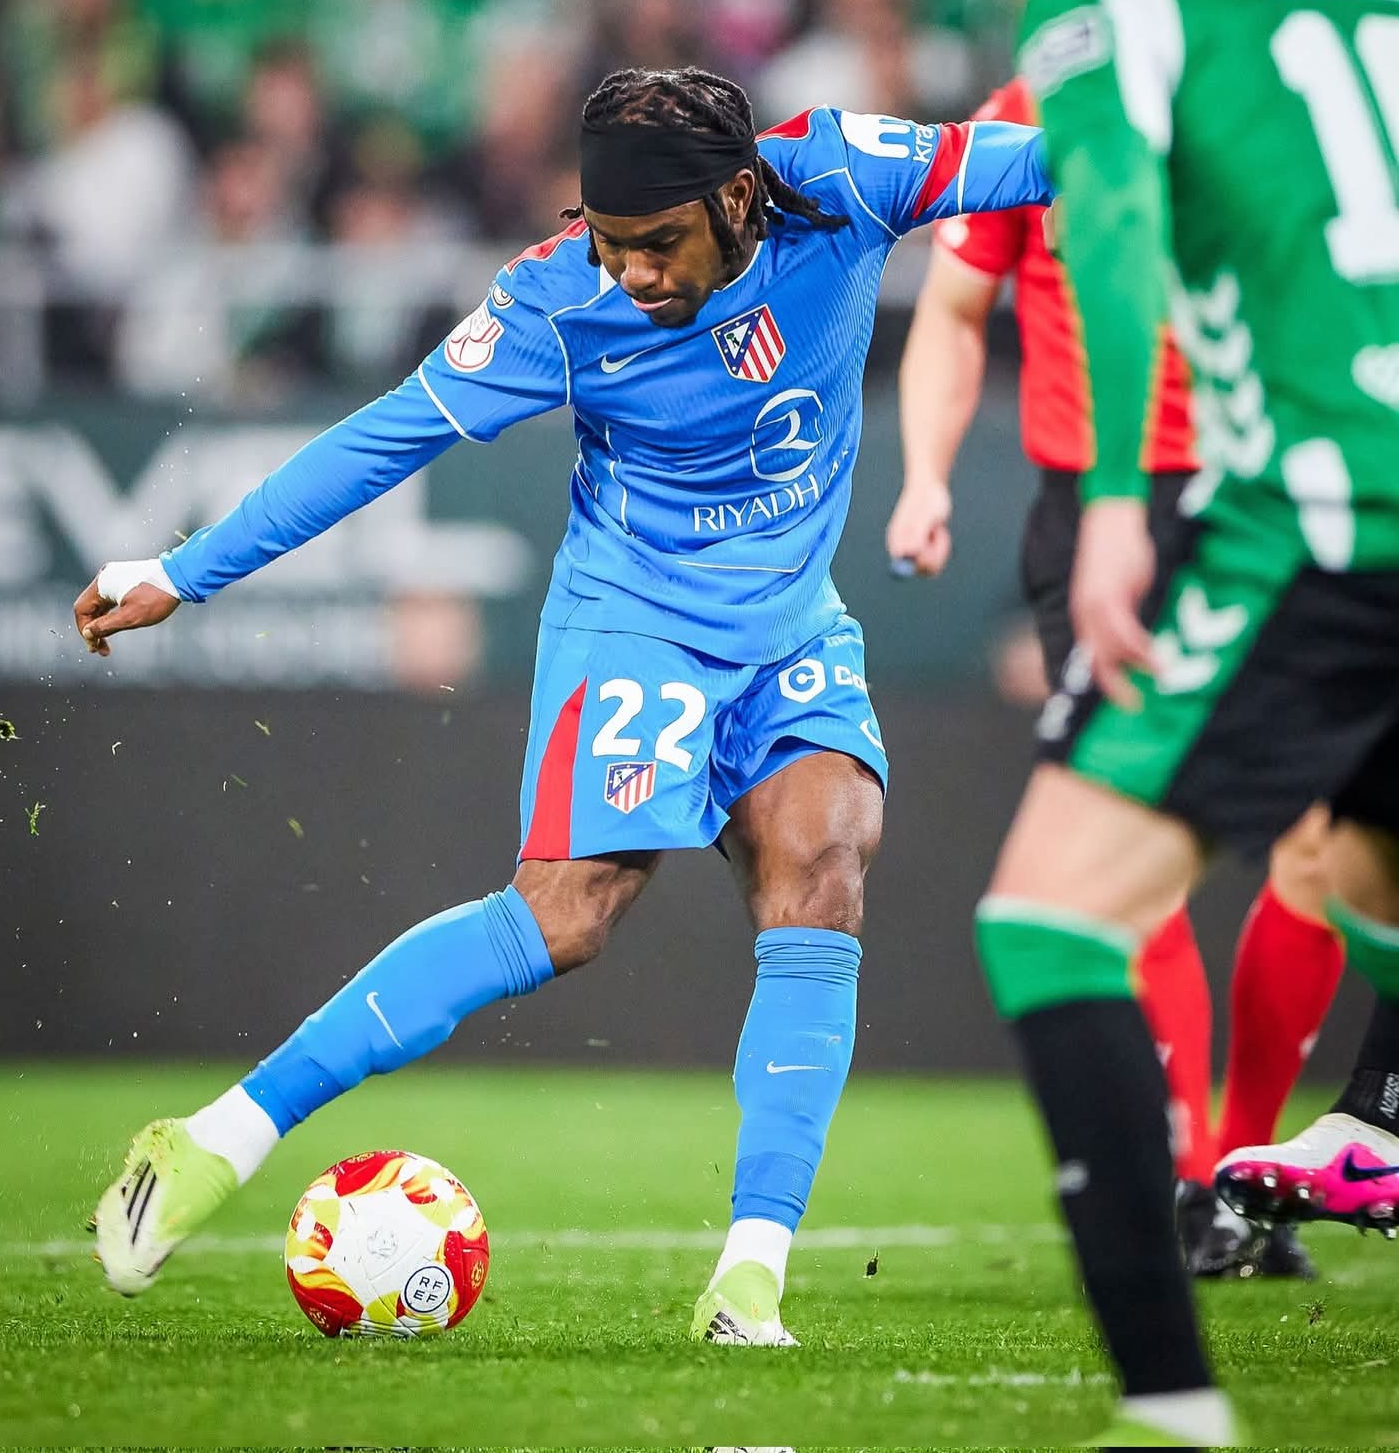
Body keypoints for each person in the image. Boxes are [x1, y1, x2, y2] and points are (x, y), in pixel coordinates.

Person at [73, 65, 1052, 1345]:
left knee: (823, 872)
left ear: (739, 196)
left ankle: (749, 1280)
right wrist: (183, 570)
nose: (633, 272)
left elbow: (1049, 156)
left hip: (791, 625)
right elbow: (383, 440)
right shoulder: (554, 300)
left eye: (658, 242)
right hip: (638, 619)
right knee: (569, 913)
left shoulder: (844, 179)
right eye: (610, 240)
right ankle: (218, 1135)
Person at [973, 0, 1399, 1446]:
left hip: (1326, 517)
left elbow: (1114, 230)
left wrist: (1109, 517)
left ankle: (1171, 1405)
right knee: (1358, 874)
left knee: (1048, 917)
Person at [885, 67, 1343, 1281]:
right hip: (1106, 516)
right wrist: (925, 476)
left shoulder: (1270, 88)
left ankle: (1239, 1177)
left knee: (1323, 846)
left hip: (1270, 506)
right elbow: (954, 308)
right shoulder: (1030, 111)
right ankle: (1194, 1181)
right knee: (1128, 846)